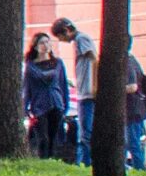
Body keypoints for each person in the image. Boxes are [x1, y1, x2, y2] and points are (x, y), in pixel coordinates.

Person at [51, 16, 97, 164]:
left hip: (87, 93)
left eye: (60, 36)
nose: (61, 40)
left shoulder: (82, 39)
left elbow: (94, 59)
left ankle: (85, 163)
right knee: (84, 132)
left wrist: (94, 85)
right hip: (84, 91)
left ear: (66, 31)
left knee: (85, 134)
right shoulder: (79, 41)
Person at [23, 33, 72, 162]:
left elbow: (63, 84)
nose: (46, 45)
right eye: (42, 43)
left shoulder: (58, 63)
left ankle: (53, 160)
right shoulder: (31, 66)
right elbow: (27, 88)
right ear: (35, 47)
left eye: (47, 42)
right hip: (39, 105)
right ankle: (43, 160)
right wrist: (25, 107)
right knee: (42, 137)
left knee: (54, 136)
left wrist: (65, 104)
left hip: (56, 103)